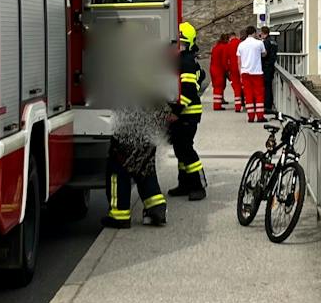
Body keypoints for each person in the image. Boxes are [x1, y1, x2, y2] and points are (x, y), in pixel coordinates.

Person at [102, 107, 168, 229]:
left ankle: (119, 216)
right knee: (145, 168)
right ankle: (157, 209)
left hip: (128, 127)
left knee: (118, 171)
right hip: (149, 126)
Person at [169, 21, 206, 199]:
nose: (178, 47)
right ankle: (184, 184)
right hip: (185, 112)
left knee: (186, 149)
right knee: (180, 149)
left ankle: (198, 186)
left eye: (181, 44)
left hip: (187, 113)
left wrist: (175, 112)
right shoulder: (186, 60)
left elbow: (188, 90)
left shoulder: (186, 61)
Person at [236, 25, 266, 122]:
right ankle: (260, 116)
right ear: (254, 33)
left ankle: (251, 117)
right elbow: (264, 54)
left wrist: (240, 74)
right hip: (257, 72)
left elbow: (239, 62)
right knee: (259, 95)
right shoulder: (259, 43)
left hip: (245, 72)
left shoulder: (241, 45)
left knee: (248, 95)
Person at [210, 30, 240, 111]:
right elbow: (224, 60)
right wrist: (228, 69)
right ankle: (217, 106)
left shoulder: (215, 47)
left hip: (213, 68)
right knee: (219, 87)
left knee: (217, 87)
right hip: (219, 69)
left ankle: (217, 103)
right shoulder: (224, 47)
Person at [261, 28, 279, 116]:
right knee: (269, 87)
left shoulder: (266, 42)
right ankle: (269, 104)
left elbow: (264, 54)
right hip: (271, 66)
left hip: (266, 67)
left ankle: (266, 106)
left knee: (266, 87)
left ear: (264, 33)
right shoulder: (274, 41)